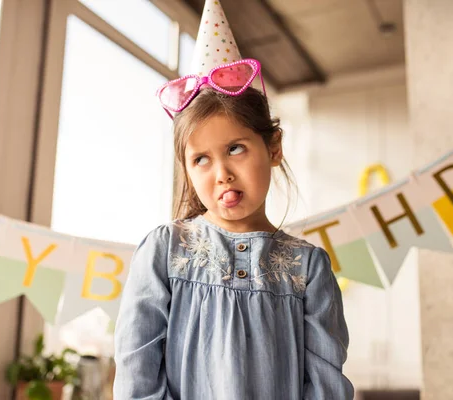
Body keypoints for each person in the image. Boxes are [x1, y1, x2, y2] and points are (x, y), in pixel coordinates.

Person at [113, 1, 353, 399]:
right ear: (186, 169)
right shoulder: (164, 251)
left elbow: (326, 384)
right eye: (201, 159)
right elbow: (136, 371)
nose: (220, 171)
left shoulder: (308, 268)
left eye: (236, 149)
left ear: (273, 147)